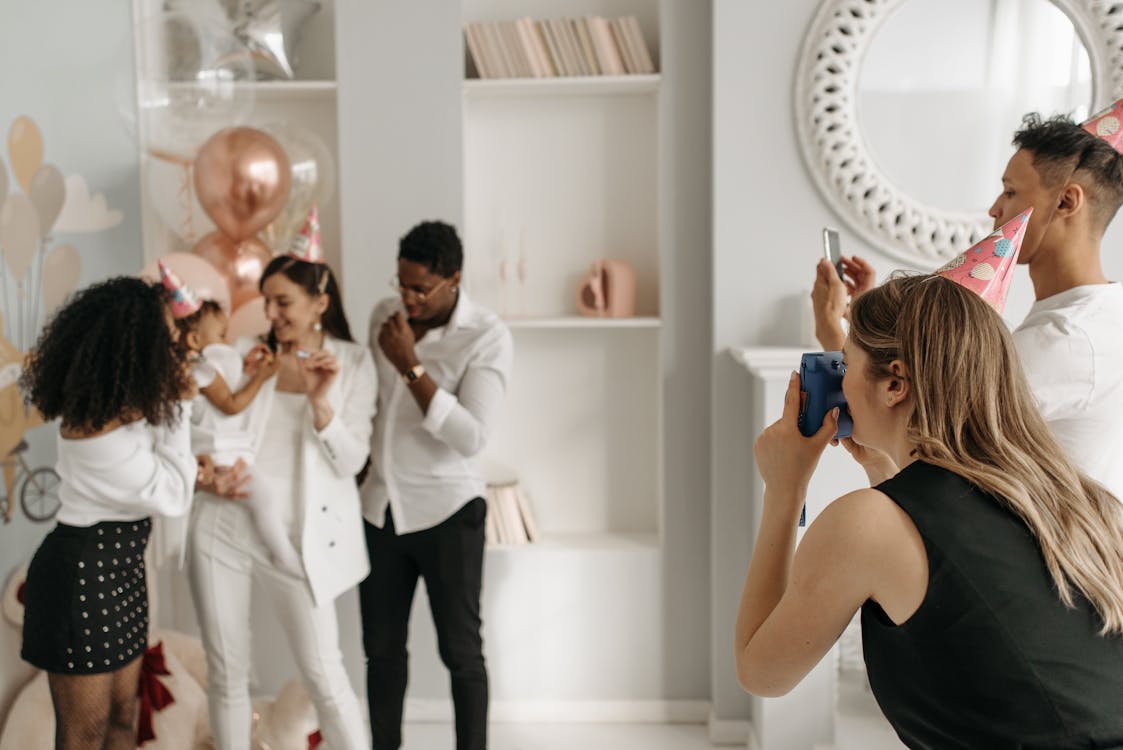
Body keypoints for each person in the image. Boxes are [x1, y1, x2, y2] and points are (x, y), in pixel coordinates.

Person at [737, 274, 1123, 748]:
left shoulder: (866, 523)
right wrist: (886, 469)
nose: (840, 377)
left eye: (847, 362)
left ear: (894, 384)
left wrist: (784, 490)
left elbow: (761, 672)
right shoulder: (1082, 501)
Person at [812, 108, 1123, 500]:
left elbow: (910, 423)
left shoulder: (1065, 338)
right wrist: (873, 325)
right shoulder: (1103, 312)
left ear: (1065, 203)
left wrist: (832, 332)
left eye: (1011, 192)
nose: (995, 208)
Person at [188, 208, 377, 750]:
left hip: (299, 542)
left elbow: (351, 462)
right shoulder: (252, 356)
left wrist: (322, 405)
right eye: (265, 300)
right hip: (223, 525)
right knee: (226, 674)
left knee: (324, 673)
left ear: (320, 301)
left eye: (282, 301)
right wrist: (206, 478)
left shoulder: (353, 364)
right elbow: (197, 430)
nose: (268, 312)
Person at [18, 276, 198, 750]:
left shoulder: (127, 405)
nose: (176, 340)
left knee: (124, 715)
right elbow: (175, 494)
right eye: (166, 333)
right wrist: (181, 405)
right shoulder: (93, 429)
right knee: (83, 734)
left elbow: (163, 472)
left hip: (119, 569)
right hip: (82, 579)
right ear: (134, 342)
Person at [359, 220, 513, 750]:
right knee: (380, 651)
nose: (407, 297)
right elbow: (371, 408)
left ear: (453, 279)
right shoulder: (385, 316)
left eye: (420, 288)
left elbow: (472, 436)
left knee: (462, 654)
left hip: (449, 512)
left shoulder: (487, 336)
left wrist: (411, 367)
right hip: (380, 510)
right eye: (401, 284)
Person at [159, 263, 300, 575]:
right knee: (261, 494)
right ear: (195, 341)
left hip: (205, 451)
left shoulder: (187, 371)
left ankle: (280, 552)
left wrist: (246, 372)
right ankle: (282, 553)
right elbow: (232, 405)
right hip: (219, 452)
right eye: (221, 335)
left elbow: (218, 400)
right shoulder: (204, 370)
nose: (226, 342)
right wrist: (261, 378)